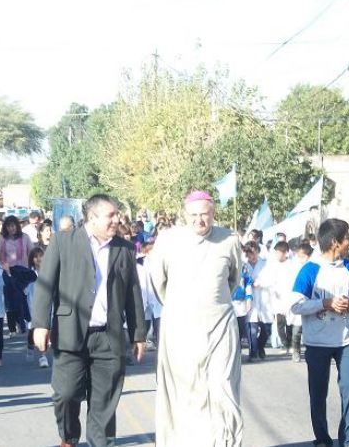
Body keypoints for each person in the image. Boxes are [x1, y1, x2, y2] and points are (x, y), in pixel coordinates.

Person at [32, 194, 146, 447]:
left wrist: (138, 334)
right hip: (71, 333)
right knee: (66, 394)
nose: (116, 220)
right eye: (110, 215)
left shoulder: (124, 249)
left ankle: (101, 443)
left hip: (109, 336)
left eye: (117, 215)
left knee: (104, 400)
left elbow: (133, 293)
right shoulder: (63, 242)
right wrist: (40, 323)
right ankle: (68, 437)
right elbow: (45, 286)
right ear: (92, 218)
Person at [148, 190, 243, 446]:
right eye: (194, 215)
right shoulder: (168, 240)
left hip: (220, 324)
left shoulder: (229, 239)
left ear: (213, 213)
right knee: (187, 391)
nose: (199, 220)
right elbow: (158, 283)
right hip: (180, 326)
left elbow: (233, 279)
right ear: (184, 215)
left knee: (222, 387)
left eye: (205, 214)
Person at [290, 218, 349, 447]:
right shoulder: (310, 270)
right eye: (347, 238)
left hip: (347, 340)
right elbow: (295, 304)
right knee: (318, 393)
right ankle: (322, 439)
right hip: (317, 343)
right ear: (335, 242)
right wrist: (324, 304)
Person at [0, 215, 34, 336]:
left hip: (23, 271)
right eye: (8, 226)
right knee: (11, 300)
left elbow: (32, 252)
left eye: (13, 225)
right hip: (9, 271)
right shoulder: (3, 238)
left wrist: (32, 268)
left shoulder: (25, 237)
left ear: (17, 226)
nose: (11, 228)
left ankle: (24, 321)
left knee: (21, 297)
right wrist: (4, 266)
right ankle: (15, 326)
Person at [244, 241, 270, 361]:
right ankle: (253, 352)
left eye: (254, 253)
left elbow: (273, 280)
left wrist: (261, 283)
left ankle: (260, 346)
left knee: (267, 329)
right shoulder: (244, 266)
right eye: (249, 254)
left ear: (258, 252)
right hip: (250, 299)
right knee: (252, 329)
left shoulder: (266, 264)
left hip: (265, 298)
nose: (252, 256)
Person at [24, 247, 49, 367]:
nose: (39, 259)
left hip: (48, 306)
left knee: (45, 331)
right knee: (32, 333)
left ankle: (43, 356)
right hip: (32, 307)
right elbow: (23, 291)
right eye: (36, 256)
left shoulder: (50, 272)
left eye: (41, 256)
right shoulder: (29, 274)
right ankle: (30, 345)